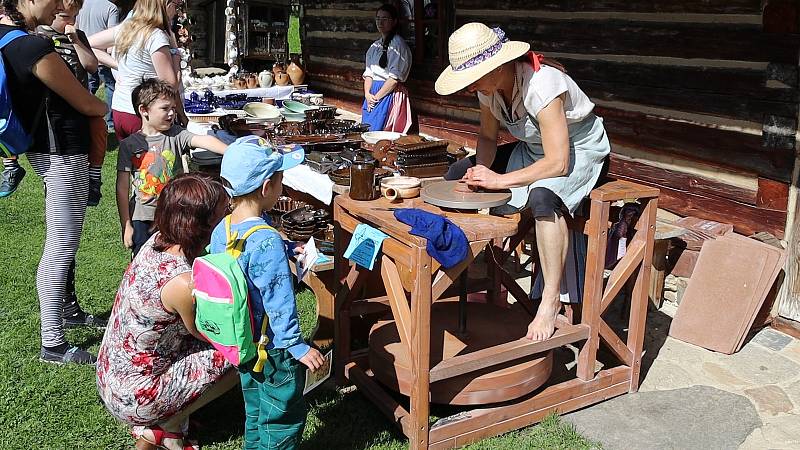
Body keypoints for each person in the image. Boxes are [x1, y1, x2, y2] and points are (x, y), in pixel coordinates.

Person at [435, 23, 611, 341]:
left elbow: (558, 162)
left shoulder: (542, 84)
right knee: (457, 174)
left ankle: (550, 300)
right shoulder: (489, 90)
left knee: (543, 198)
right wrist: (480, 175)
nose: (470, 86)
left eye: (475, 78)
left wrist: (500, 179)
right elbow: (487, 137)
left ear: (499, 66)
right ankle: (469, 268)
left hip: (577, 150)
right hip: (533, 150)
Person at [97, 173, 238, 450]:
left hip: (112, 371)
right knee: (234, 354)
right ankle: (167, 425)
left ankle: (170, 419)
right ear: (204, 222)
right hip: (135, 395)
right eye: (225, 210)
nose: (230, 212)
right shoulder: (183, 282)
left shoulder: (157, 240)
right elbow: (203, 332)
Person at [2, 0, 108, 364]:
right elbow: (88, 103)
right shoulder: (32, 46)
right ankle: (53, 343)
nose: (63, 4)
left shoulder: (7, 39)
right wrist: (100, 109)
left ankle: (66, 313)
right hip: (63, 151)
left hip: (44, 149)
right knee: (61, 246)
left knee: (62, 242)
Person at [211, 137, 325, 450]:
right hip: (273, 347)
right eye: (280, 181)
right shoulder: (267, 241)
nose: (281, 188)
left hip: (243, 338)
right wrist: (296, 346)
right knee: (282, 414)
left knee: (256, 407)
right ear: (266, 188)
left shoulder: (224, 227)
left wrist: (286, 246)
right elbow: (279, 299)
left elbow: (242, 260)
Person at [116, 78, 226, 256]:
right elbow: (122, 187)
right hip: (143, 217)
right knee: (144, 260)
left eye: (173, 109)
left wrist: (230, 151)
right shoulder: (129, 145)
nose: (171, 114)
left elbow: (202, 140)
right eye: (165, 108)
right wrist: (126, 224)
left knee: (179, 256)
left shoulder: (176, 135)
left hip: (176, 214)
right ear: (144, 110)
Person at [37, 0, 109, 207]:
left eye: (75, 17)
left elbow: (92, 66)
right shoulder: (41, 36)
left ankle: (93, 178)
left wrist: (76, 40)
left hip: (81, 100)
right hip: (54, 106)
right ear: (53, 13)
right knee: (63, 156)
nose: (71, 22)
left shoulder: (79, 36)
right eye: (66, 18)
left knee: (98, 129)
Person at [88, 0, 186, 140]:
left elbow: (90, 44)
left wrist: (119, 66)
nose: (176, 11)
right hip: (144, 112)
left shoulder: (127, 28)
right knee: (152, 161)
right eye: (176, 5)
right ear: (165, 5)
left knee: (129, 159)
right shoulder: (155, 36)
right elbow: (171, 84)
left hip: (120, 110)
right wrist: (175, 52)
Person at [361, 3, 412, 133]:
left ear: (394, 22)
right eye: (378, 18)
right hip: (372, 92)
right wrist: (367, 94)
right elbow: (369, 74)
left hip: (388, 93)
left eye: (385, 19)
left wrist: (377, 98)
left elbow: (394, 79)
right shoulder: (374, 47)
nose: (380, 22)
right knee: (367, 130)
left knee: (381, 132)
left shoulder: (398, 45)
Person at [77, 0, 118, 132]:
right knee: (110, 87)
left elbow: (75, 27)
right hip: (102, 57)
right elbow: (113, 36)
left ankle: (87, 119)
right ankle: (110, 123)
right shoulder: (111, 8)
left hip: (84, 55)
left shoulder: (81, 4)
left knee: (88, 88)